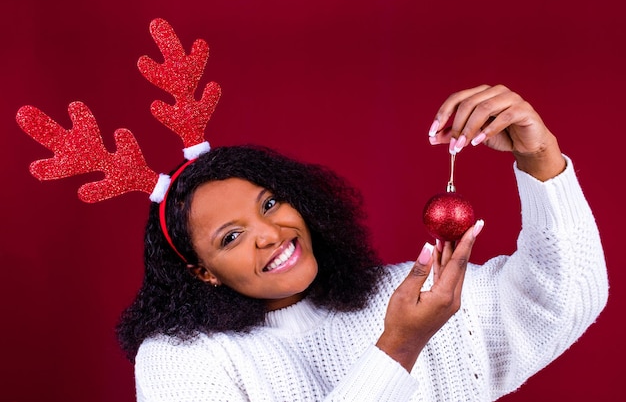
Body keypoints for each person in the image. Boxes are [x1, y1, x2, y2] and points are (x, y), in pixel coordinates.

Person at [116, 84, 608, 401]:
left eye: (269, 205)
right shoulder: (181, 360)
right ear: (202, 270)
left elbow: (562, 301)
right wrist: (399, 346)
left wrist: (540, 157)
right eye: (232, 237)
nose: (270, 234)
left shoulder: (409, 296)